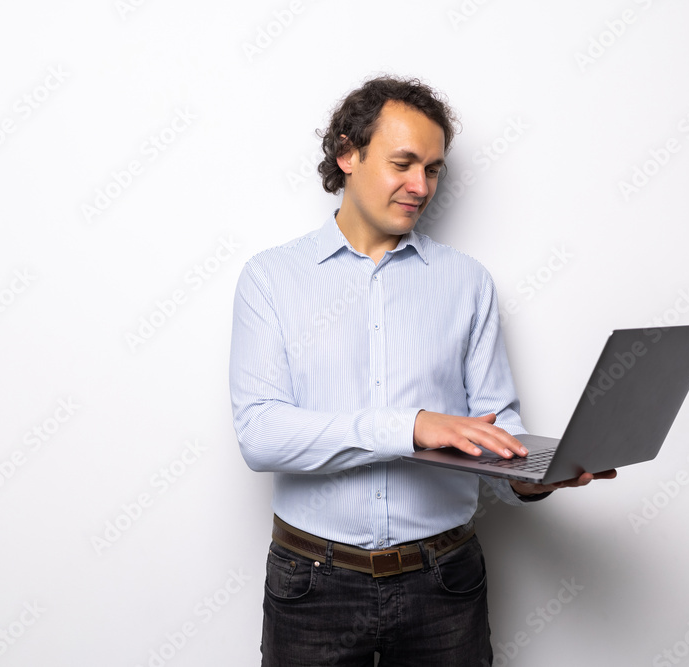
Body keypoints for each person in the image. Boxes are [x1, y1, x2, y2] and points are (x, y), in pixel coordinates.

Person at [229, 74, 615, 666]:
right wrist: (410, 426)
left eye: (433, 169)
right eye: (403, 163)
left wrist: (526, 475)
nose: (420, 186)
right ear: (347, 154)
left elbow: (495, 418)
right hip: (313, 585)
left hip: (445, 583)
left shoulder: (466, 282)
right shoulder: (270, 280)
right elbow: (261, 434)